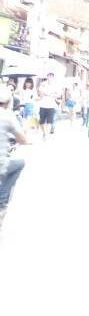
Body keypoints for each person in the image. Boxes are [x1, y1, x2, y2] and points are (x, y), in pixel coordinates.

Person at [0, 87, 29, 227]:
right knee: (20, 163)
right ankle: (2, 203)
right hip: (1, 163)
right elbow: (23, 139)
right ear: (7, 102)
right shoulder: (7, 116)